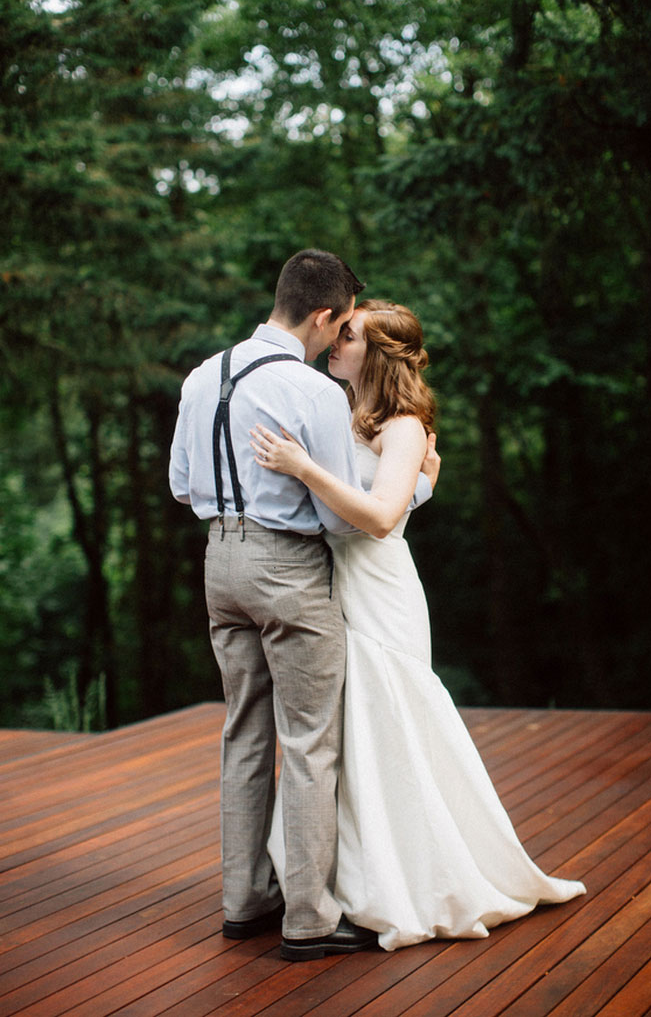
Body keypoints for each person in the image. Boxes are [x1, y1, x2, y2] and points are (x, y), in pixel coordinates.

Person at [251, 298, 586, 951]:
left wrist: (305, 468)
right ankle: (336, 881)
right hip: (333, 584)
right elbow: (369, 507)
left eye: (347, 335)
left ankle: (414, 875)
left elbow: (378, 518)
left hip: (381, 593)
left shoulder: (403, 425)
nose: (334, 342)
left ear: (375, 352)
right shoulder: (338, 411)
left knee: (390, 722)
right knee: (341, 735)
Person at [168, 251, 436, 962]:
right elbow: (349, 520)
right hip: (284, 568)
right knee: (311, 739)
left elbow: (181, 485)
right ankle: (310, 917)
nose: (341, 335)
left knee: (243, 731)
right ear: (322, 316)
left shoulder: (203, 375)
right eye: (342, 322)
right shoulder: (310, 391)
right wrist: (415, 489)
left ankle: (243, 899)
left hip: (217, 563)